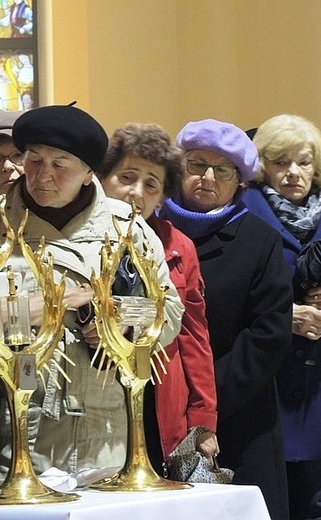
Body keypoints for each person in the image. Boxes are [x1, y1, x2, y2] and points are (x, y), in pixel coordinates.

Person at [0, 104, 183, 477]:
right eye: (33, 160)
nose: (42, 176)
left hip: (102, 437)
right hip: (11, 436)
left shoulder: (128, 229)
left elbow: (170, 313)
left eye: (60, 164)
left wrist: (118, 320)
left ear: (87, 174)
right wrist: (44, 307)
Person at [159, 119, 292, 520]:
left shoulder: (259, 240)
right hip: (158, 408)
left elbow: (268, 333)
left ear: (240, 183)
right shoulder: (150, 231)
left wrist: (204, 401)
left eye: (223, 170)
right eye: (196, 164)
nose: (207, 177)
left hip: (240, 413)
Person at [98, 123, 219, 476]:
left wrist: (203, 419)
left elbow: (195, 338)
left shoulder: (179, 246)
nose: (136, 192)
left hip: (159, 398)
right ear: (103, 179)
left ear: (162, 197)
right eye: (127, 177)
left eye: (151, 184)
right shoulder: (76, 236)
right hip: (94, 399)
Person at [242, 114, 321, 520]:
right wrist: (282, 315)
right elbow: (225, 295)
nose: (293, 172)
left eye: (304, 162)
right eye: (280, 162)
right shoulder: (241, 212)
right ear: (263, 167)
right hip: (266, 382)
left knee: (318, 502)